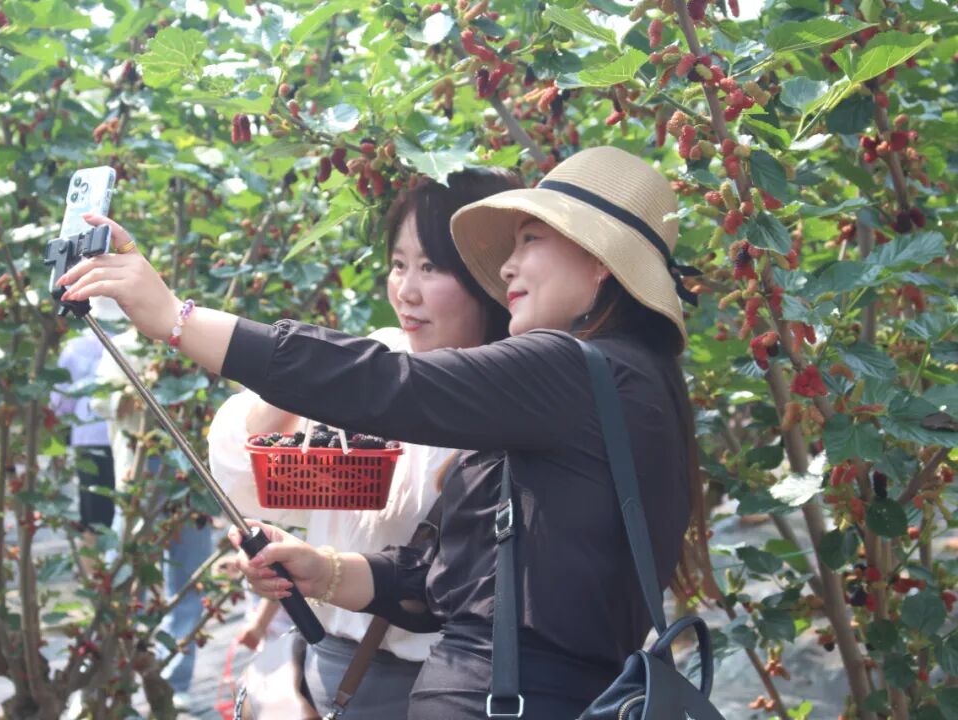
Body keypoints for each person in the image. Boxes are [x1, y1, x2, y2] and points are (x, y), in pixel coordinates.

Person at [55, 146, 711, 719]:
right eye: (400, 264)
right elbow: (449, 585)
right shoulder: (608, 386)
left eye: (529, 241)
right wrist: (325, 570)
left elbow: (382, 384)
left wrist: (176, 318)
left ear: (599, 262)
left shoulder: (573, 373)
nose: (508, 268)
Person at [208, 169, 520, 718]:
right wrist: (291, 383)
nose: (406, 290)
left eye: (432, 266)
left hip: (444, 691)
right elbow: (243, 477)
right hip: (330, 676)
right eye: (399, 264)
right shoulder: (375, 363)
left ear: (491, 275)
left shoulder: (518, 406)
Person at [90, 305, 214, 712]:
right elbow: (100, 402)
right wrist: (140, 387)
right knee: (123, 575)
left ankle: (176, 683)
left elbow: (218, 398)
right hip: (139, 476)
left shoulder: (192, 342)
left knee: (188, 578)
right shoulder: (121, 347)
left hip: (188, 480)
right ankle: (113, 680)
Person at [49, 296, 125, 540]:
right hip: (121, 435)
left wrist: (64, 419)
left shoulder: (75, 348)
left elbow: (60, 398)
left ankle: (93, 557)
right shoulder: (126, 344)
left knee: (92, 510)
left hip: (86, 436)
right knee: (120, 504)